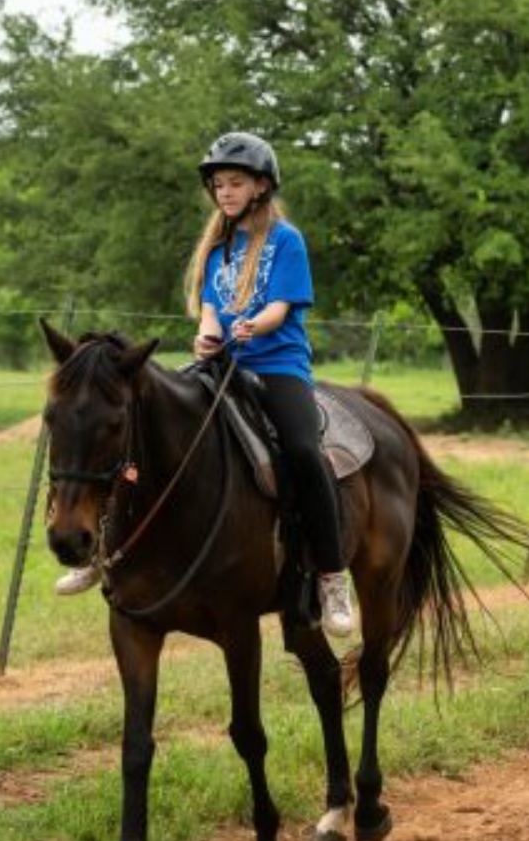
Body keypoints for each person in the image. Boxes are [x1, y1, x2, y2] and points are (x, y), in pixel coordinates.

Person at [56, 132, 358, 633]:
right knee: (144, 440)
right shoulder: (218, 250)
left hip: (278, 365)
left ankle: (331, 576)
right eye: (219, 185)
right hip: (222, 366)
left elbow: (280, 309)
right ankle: (101, 555)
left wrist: (254, 325)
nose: (226, 193)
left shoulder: (286, 241)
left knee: (305, 451)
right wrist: (206, 338)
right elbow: (212, 313)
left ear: (261, 187)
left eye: (236, 183)